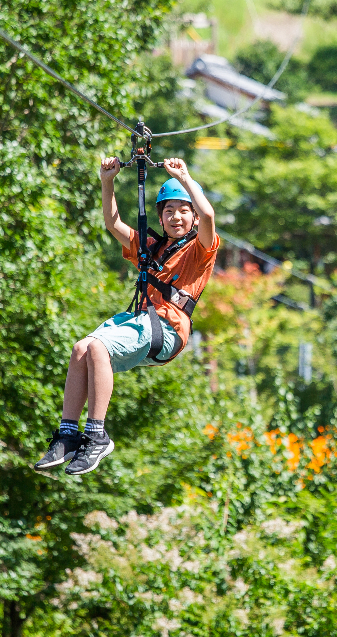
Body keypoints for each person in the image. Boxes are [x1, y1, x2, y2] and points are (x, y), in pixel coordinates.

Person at [34, 155, 218, 475]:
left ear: (194, 219)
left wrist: (186, 178)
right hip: (143, 322)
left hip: (168, 326)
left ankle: (96, 434)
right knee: (81, 347)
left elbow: (210, 214)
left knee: (97, 347)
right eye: (169, 211)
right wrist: (108, 182)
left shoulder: (200, 250)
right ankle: (68, 433)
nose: (176, 217)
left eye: (184, 211)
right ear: (160, 219)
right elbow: (113, 224)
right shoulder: (152, 249)